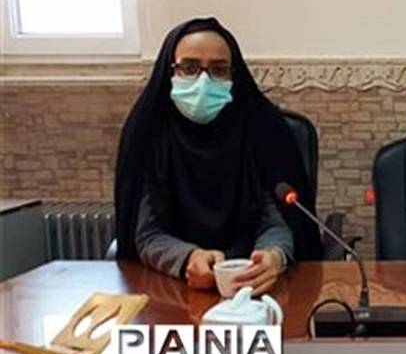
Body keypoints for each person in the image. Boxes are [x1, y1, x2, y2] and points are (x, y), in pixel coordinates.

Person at [114, 18, 323, 294]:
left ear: (233, 76)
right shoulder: (148, 132)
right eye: (189, 68)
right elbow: (146, 234)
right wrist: (187, 258)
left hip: (257, 289)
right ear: (169, 70)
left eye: (219, 70)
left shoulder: (262, 128)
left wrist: (274, 256)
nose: (204, 81)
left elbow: (278, 220)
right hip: (171, 290)